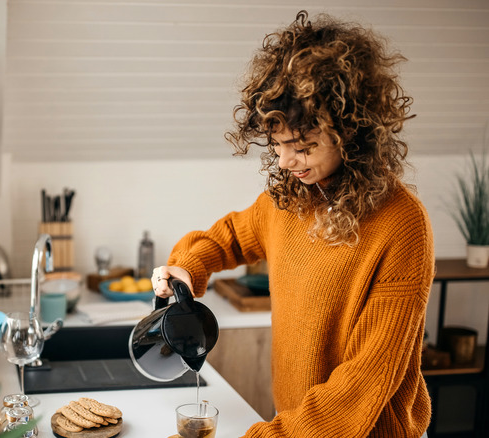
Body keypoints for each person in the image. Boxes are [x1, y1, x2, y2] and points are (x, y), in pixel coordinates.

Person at [152, 10, 434, 438]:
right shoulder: (290, 200)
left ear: (352, 134)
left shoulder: (402, 224)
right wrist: (188, 268)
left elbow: (361, 386)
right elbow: (228, 236)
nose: (285, 162)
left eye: (303, 146)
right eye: (279, 145)